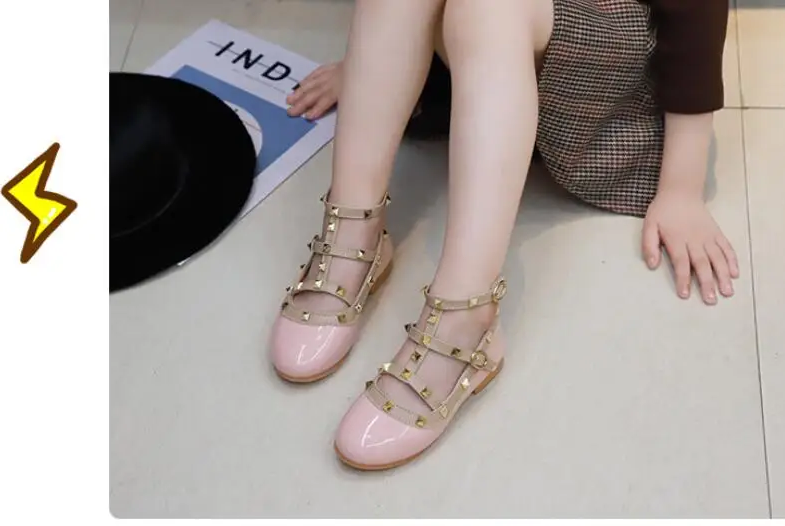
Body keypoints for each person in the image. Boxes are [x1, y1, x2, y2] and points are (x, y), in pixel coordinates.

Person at [270, 0, 736, 471]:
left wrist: (682, 186)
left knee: (488, 8)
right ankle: (353, 233)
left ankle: (464, 319)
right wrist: (373, 61)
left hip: (604, 40)